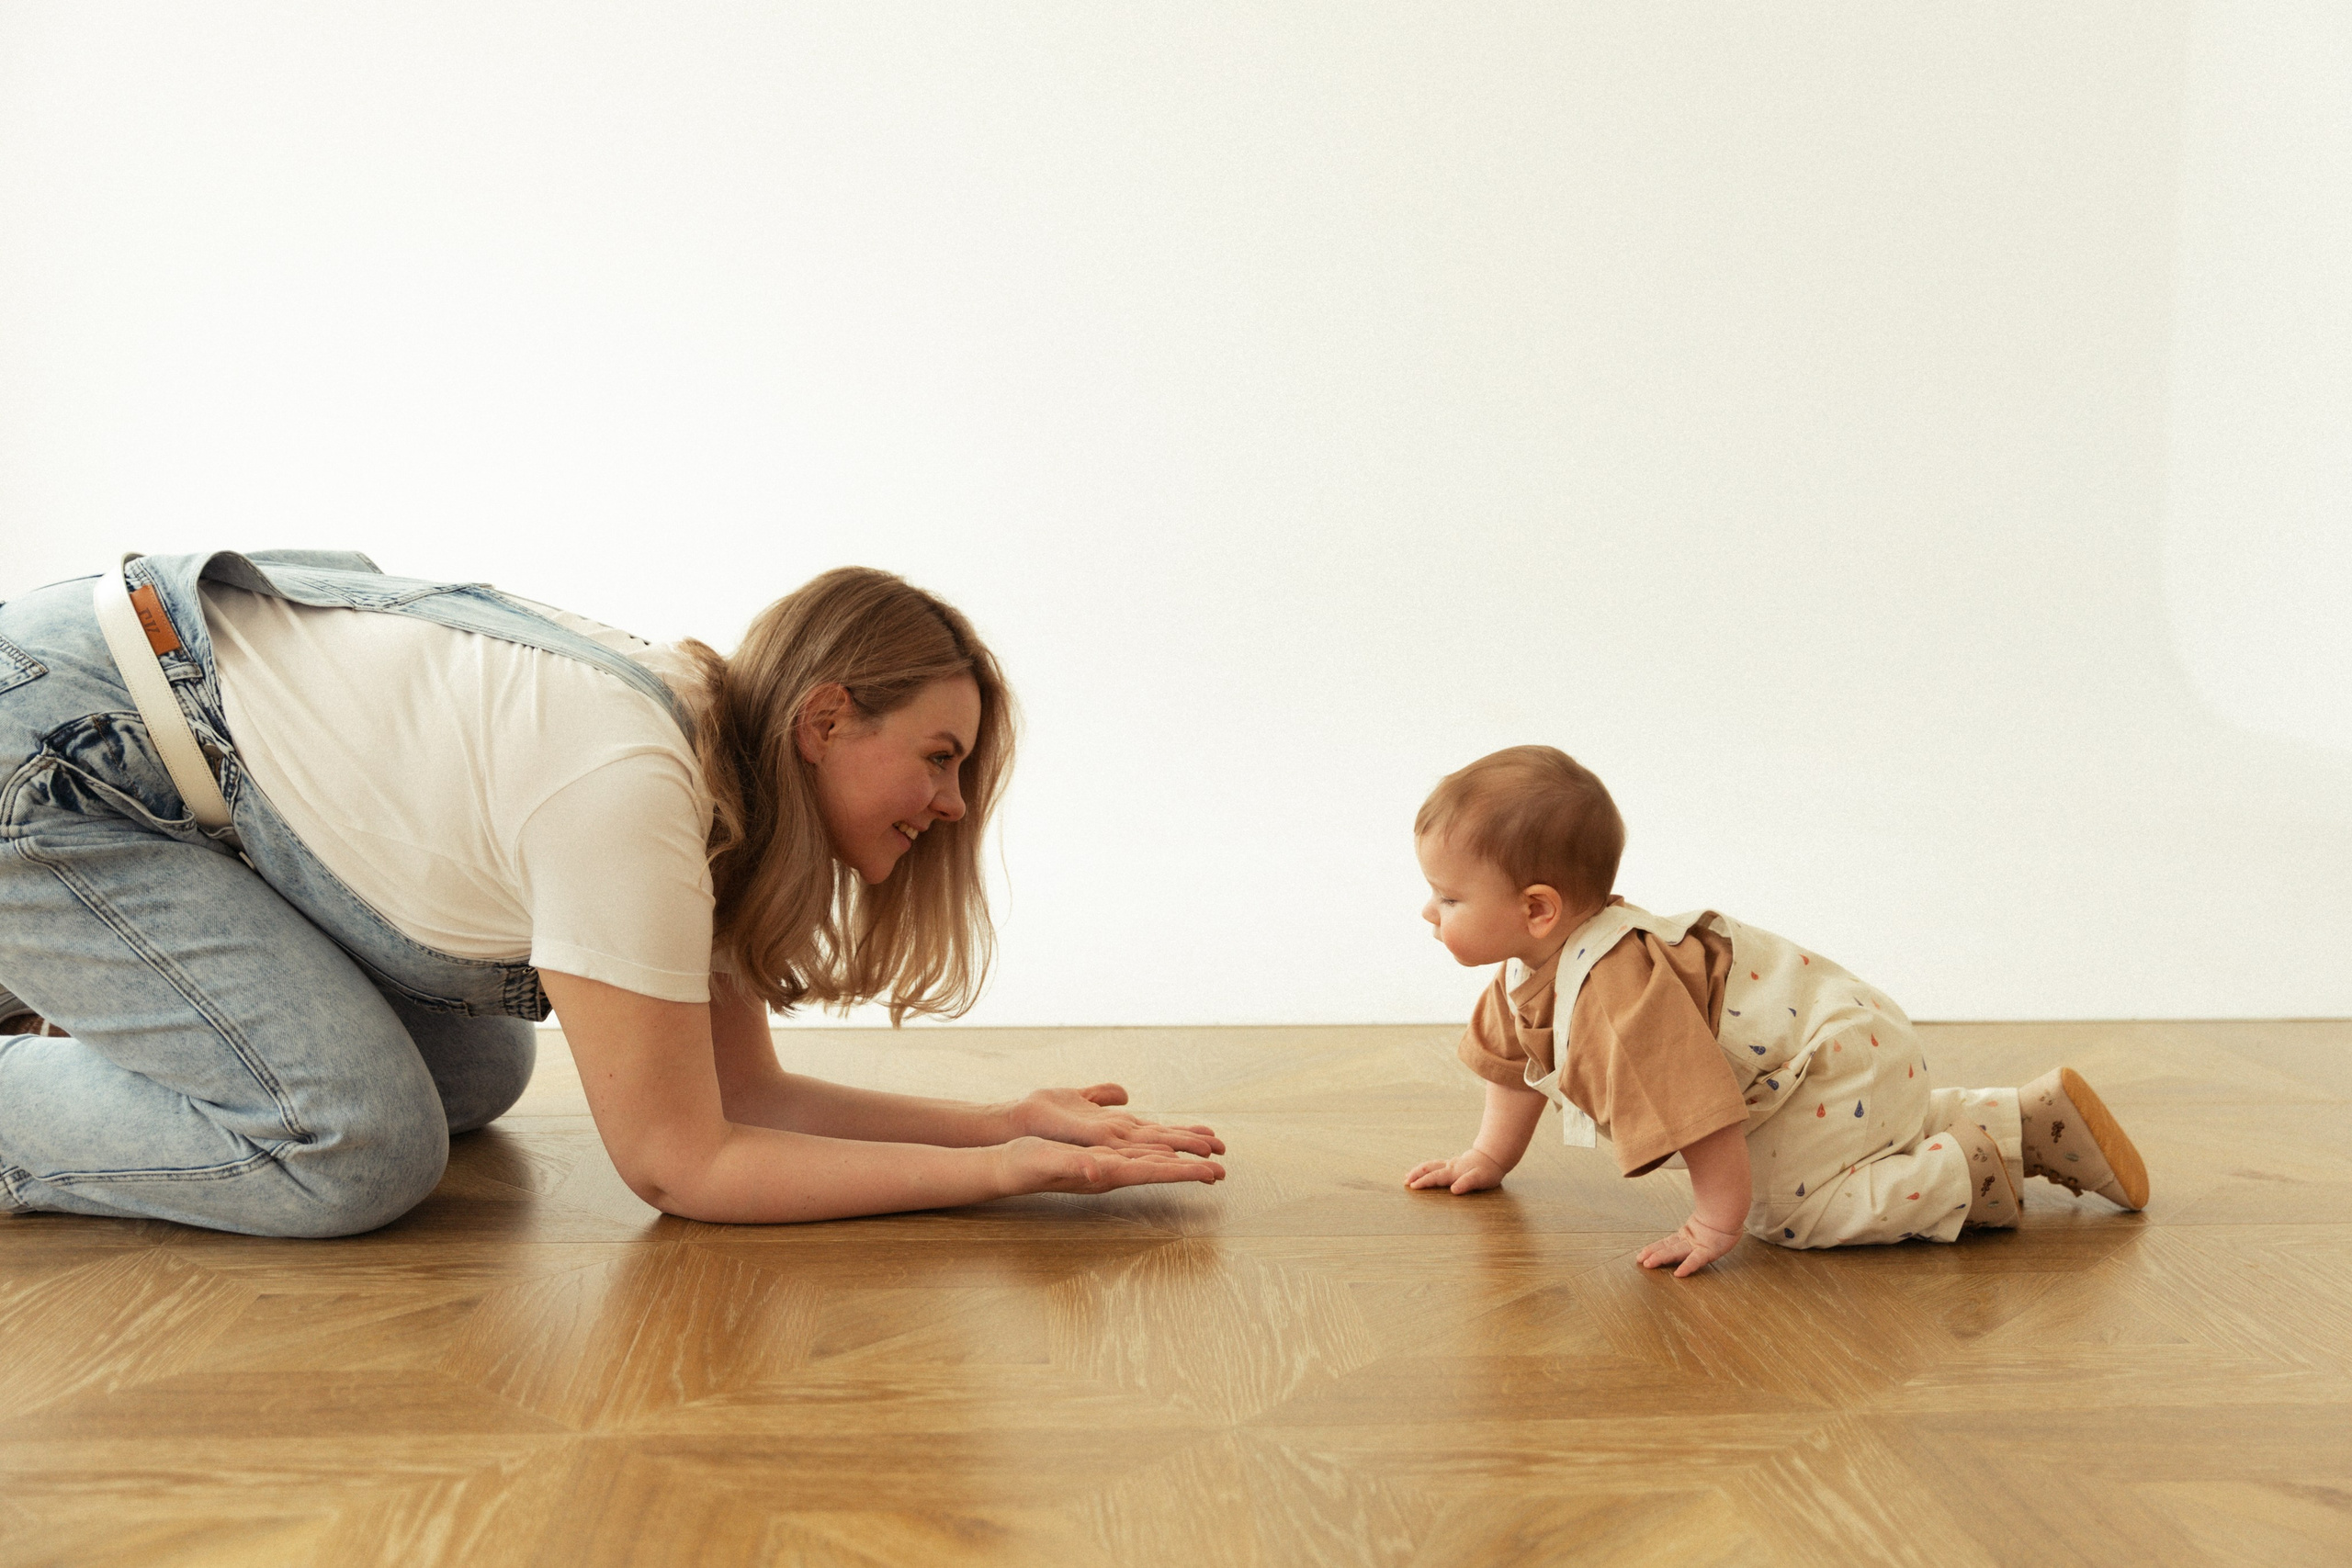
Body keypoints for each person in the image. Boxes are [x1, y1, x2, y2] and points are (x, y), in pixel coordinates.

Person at [0, 549, 1223, 1237]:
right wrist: (1008, 1178)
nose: (953, 806)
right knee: (358, 1146)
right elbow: (683, 1166)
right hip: (54, 755)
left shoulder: (720, 784)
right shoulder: (632, 781)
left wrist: (1007, 1119)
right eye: (940, 758)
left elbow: (744, 1094)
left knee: (480, 1072)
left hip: (155, 753)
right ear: (826, 716)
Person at [1402, 745, 2145, 1275]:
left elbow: (1701, 1111)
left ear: (1538, 908)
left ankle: (1975, 1170)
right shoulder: (1529, 972)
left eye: (1450, 896)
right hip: (1836, 1057)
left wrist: (1716, 1220)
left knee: (1790, 1213)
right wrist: (1489, 1157)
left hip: (1832, 1060)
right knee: (1851, 1142)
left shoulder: (1615, 997)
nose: (1429, 912)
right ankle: (2028, 1116)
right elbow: (1516, 1066)